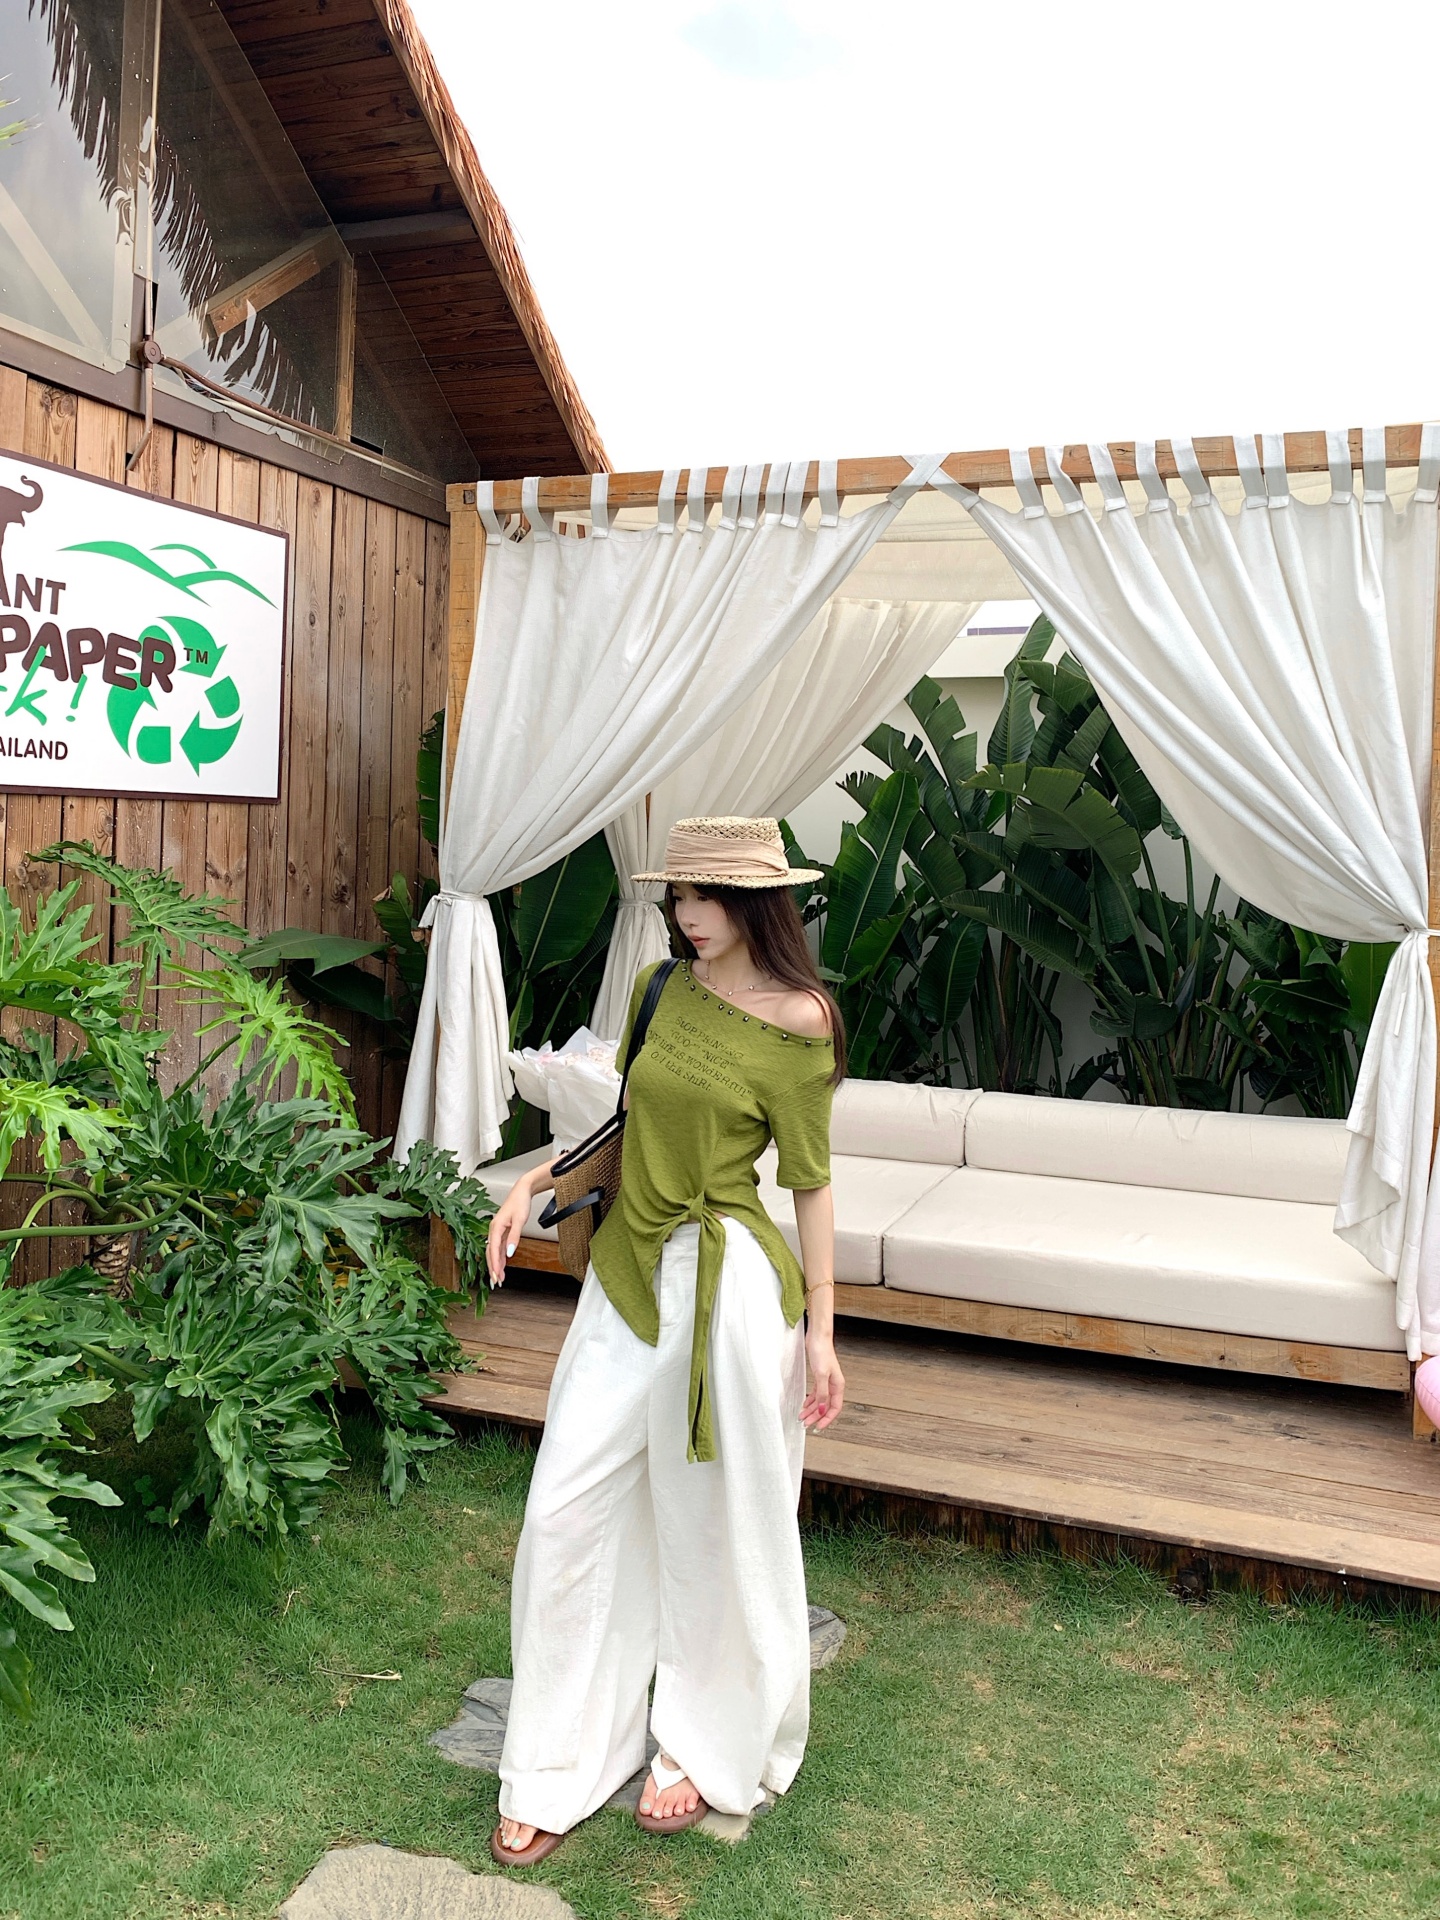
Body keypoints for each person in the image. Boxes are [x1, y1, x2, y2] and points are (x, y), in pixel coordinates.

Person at [485, 815, 846, 1867]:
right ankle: (555, 1763)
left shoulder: (802, 1019)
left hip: (729, 1292)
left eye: (707, 894)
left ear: (756, 902)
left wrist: (824, 1332)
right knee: (564, 1510)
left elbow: (811, 1183)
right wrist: (534, 1182)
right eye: (679, 894)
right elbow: (626, 1128)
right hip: (628, 1276)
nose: (687, 913)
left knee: (713, 1526)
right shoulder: (658, 989)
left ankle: (697, 1742)